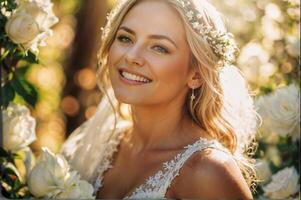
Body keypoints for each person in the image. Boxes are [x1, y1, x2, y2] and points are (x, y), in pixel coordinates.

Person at [61, 0, 259, 199]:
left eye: (159, 48)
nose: (132, 56)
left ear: (196, 76)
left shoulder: (208, 171)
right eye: (126, 38)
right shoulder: (100, 144)